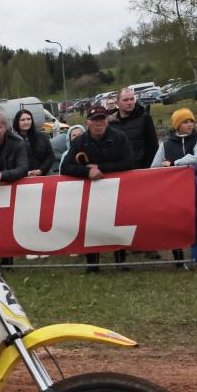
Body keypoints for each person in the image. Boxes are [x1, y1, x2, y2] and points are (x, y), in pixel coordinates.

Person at [60, 105, 135, 272]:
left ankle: (121, 261)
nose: (98, 123)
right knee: (91, 227)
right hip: (90, 193)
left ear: (107, 121)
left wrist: (101, 168)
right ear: (88, 122)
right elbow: (65, 167)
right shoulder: (79, 142)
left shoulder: (119, 137)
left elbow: (129, 162)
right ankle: (93, 264)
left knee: (118, 224)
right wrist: (87, 172)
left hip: (115, 191)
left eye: (102, 119)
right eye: (95, 120)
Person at [151, 108, 197, 270]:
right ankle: (179, 261)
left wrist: (175, 163)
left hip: (196, 184)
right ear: (177, 125)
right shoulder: (165, 144)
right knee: (176, 223)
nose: (190, 124)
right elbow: (154, 167)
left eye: (191, 121)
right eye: (185, 122)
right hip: (174, 189)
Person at [107, 87, 158, 170]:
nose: (129, 102)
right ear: (117, 103)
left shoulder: (145, 118)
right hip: (120, 170)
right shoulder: (111, 122)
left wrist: (147, 168)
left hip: (141, 169)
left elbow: (153, 146)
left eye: (132, 99)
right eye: (125, 100)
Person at [12, 109, 57, 175]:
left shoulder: (41, 136)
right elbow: (11, 162)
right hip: (22, 176)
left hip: (44, 174)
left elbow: (50, 156)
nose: (26, 122)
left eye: (28, 119)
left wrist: (41, 170)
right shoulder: (13, 140)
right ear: (17, 122)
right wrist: (25, 173)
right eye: (22, 120)